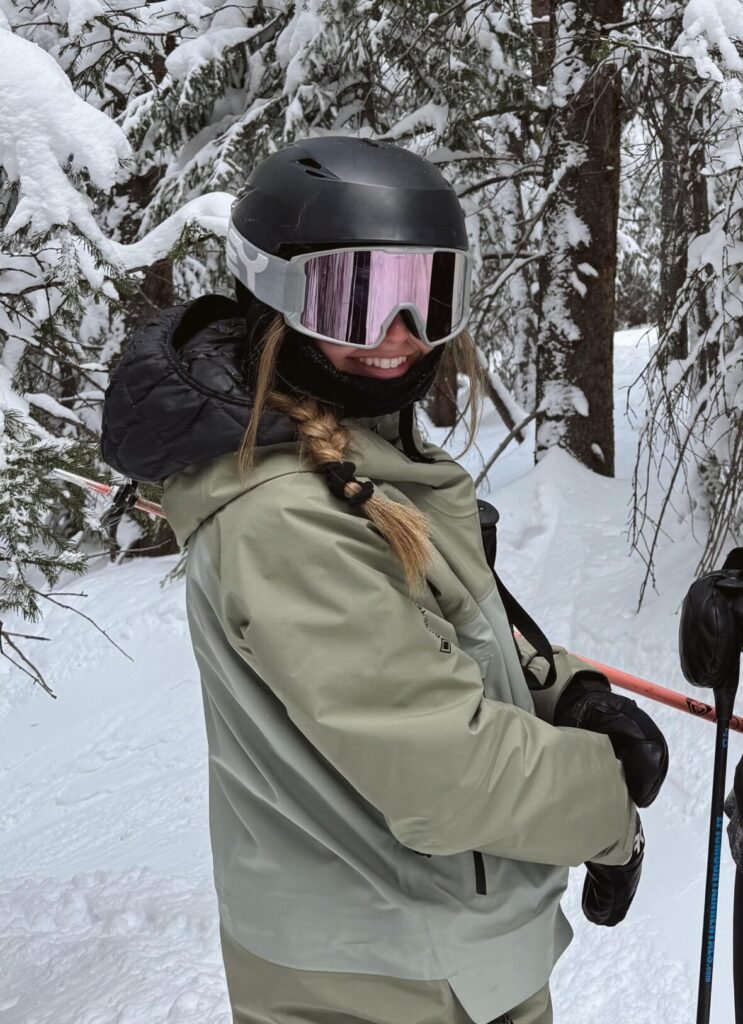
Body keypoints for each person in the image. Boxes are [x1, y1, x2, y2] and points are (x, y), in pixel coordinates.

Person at [101, 136, 668, 1024]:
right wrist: (606, 812)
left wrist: (569, 693)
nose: (396, 339)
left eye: (425, 299)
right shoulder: (285, 513)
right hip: (380, 978)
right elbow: (446, 776)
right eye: (353, 297)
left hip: (418, 948)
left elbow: (443, 631)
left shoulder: (355, 447)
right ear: (272, 292)